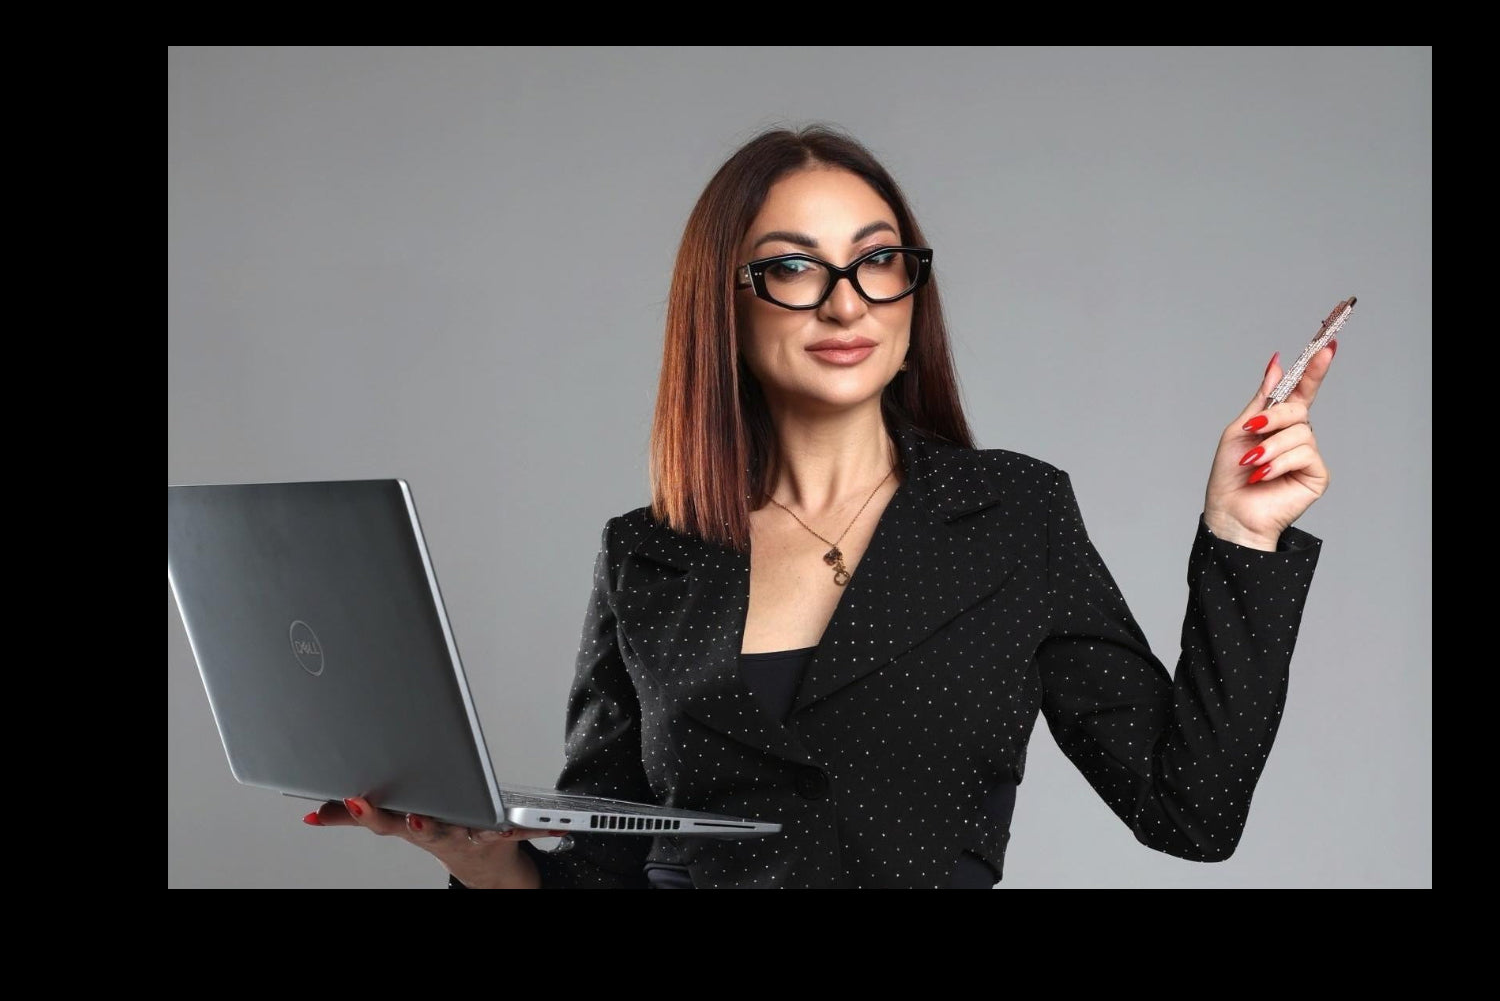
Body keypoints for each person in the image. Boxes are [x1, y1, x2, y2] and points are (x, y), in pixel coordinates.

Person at [304, 124, 1333, 888]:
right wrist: (491, 862)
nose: (847, 301)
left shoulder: (1013, 515)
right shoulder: (647, 554)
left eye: (878, 259)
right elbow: (604, 861)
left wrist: (1241, 538)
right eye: (794, 266)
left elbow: (1189, 810)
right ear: (723, 302)